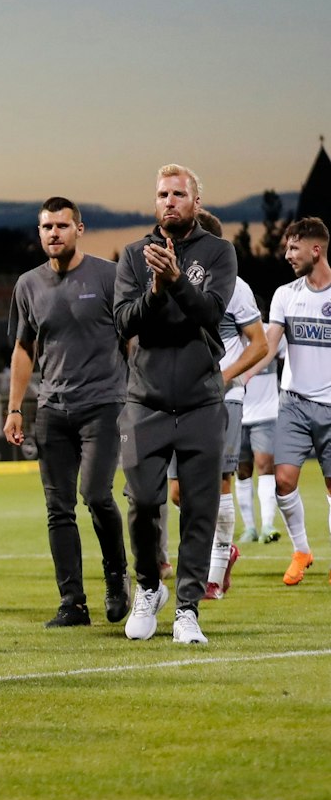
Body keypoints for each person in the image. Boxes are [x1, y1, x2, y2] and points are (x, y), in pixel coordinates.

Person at [113, 164, 236, 644]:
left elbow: (209, 314)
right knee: (142, 502)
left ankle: (187, 609)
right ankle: (148, 587)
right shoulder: (131, 255)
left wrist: (179, 280)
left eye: (178, 194)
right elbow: (125, 323)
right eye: (162, 193)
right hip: (145, 402)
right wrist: (157, 288)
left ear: (195, 202)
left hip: (202, 403)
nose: (169, 201)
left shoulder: (219, 252)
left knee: (200, 509)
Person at [4, 197, 130, 627]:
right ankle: (72, 603)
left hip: (104, 405)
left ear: (80, 228)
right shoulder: (28, 285)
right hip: (52, 409)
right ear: (39, 233)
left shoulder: (110, 276)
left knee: (96, 495)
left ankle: (117, 577)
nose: (53, 233)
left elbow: (132, 338)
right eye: (46, 227)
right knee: (58, 508)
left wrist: (138, 395)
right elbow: (23, 349)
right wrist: (14, 408)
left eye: (61, 225)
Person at [193, 209, 267, 599]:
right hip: (181, 399)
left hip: (226, 398)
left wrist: (223, 379)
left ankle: (215, 570)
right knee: (178, 492)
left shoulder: (235, 287)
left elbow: (260, 344)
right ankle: (220, 551)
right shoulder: (175, 283)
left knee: (221, 481)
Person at [265, 216, 331, 587]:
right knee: (284, 481)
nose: (287, 255)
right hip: (293, 402)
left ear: (315, 249)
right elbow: (269, 345)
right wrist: (239, 377)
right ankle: (301, 550)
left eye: (294, 248)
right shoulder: (285, 294)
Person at [234, 347, 282, 545]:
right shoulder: (231, 334)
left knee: (265, 465)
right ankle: (249, 527)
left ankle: (267, 524)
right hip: (237, 412)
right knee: (242, 471)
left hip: (266, 414)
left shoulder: (271, 334)